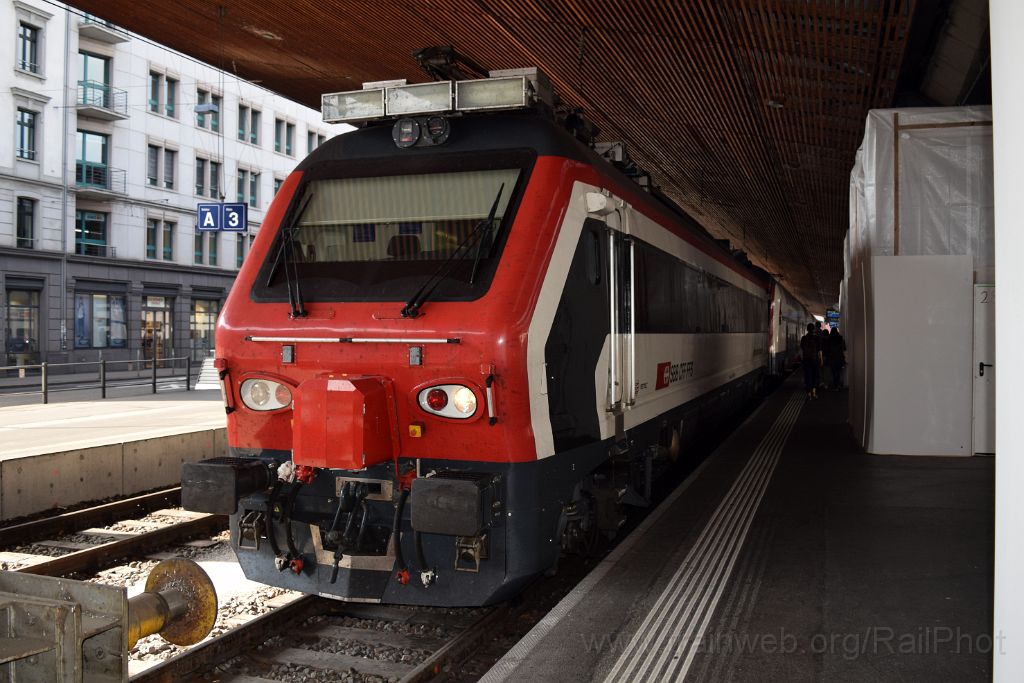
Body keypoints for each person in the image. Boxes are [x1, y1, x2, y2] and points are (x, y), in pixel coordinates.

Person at [800, 322, 822, 400]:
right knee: (815, 376)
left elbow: (802, 349)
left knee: (808, 376)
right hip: (815, 360)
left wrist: (802, 359)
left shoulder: (803, 338)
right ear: (814, 329)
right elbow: (819, 351)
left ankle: (809, 394)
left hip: (806, 360)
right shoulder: (817, 338)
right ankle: (814, 392)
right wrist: (821, 360)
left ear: (807, 329)